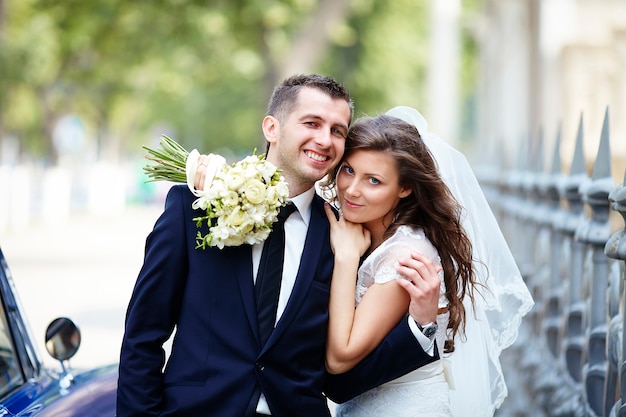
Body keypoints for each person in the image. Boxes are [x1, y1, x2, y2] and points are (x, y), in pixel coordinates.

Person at [116, 75, 443, 417]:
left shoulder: (345, 238)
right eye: (312, 123)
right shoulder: (194, 207)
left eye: (337, 131)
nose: (324, 139)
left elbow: (340, 381)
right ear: (272, 127)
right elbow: (143, 336)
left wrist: (420, 330)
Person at [320, 107, 534, 417]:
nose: (351, 189)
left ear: (404, 188)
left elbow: (341, 357)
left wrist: (347, 257)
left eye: (374, 181)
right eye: (349, 170)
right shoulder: (366, 231)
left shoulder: (405, 257)